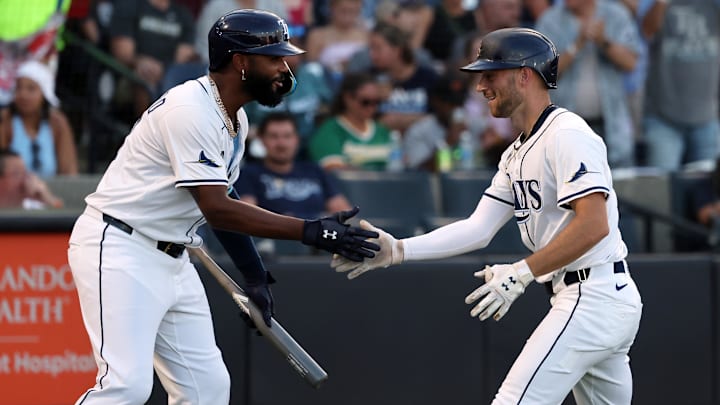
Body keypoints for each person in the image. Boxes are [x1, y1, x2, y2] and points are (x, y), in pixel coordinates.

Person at [67, 10, 378, 404]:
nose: (285, 68)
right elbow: (217, 209)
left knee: (207, 390)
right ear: (241, 62)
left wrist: (254, 276)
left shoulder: (237, 119)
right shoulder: (189, 108)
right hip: (120, 247)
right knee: (126, 386)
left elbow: (224, 199)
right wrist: (310, 230)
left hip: (174, 257)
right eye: (274, 59)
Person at [332, 28, 643, 404]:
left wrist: (521, 271)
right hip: (594, 296)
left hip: (592, 296)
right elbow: (477, 228)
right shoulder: (515, 152)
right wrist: (399, 249)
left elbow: (594, 224)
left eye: (490, 74)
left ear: (524, 75)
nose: (480, 86)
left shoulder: (567, 133)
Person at [535, 0, 642, 168]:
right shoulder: (550, 21)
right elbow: (543, 74)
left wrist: (603, 41)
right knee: (571, 188)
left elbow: (631, 63)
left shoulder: (616, 15)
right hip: (566, 132)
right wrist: (577, 44)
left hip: (611, 128)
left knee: (618, 190)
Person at [641, 0, 720, 171]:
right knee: (661, 191)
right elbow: (646, 31)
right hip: (663, 120)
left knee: (712, 189)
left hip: (707, 119)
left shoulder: (713, 6)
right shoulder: (660, 6)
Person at [235, 111, 352, 218]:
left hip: (317, 237)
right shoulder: (248, 174)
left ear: (297, 139)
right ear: (261, 140)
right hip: (273, 237)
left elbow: (344, 214)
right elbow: (248, 216)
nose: (281, 144)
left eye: (287, 136)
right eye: (273, 136)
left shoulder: (315, 171)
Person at [109, 0, 198, 116]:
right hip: (130, 74)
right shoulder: (129, 6)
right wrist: (139, 62)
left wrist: (163, 70)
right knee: (146, 78)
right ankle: (146, 130)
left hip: (170, 76)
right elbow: (122, 52)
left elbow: (183, 57)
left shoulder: (183, 14)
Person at [0, 60, 78, 176]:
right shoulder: (5, 119)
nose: (23, 94)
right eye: (18, 88)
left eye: (31, 89)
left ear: (45, 93)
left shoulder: (57, 123)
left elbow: (69, 171)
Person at [309, 72, 392, 171]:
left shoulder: (382, 131)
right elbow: (334, 170)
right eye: (365, 102)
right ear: (348, 98)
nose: (372, 107)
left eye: (377, 102)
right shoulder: (330, 131)